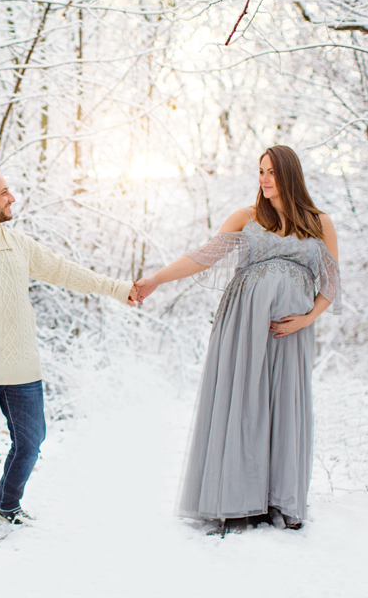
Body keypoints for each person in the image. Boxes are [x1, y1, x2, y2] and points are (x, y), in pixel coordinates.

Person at [0, 163, 139, 545]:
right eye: (3, 192)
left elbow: (64, 271)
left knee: (31, 441)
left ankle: (7, 505)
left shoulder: (17, 243)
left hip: (23, 368)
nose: (12, 198)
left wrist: (116, 288)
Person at [136, 145, 341, 534]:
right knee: (243, 401)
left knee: (285, 405)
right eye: (260, 171)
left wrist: (306, 320)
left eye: (272, 172)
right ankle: (234, 498)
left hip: (291, 331)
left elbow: (331, 284)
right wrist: (156, 279)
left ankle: (279, 498)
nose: (264, 179)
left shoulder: (319, 223)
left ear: (290, 175)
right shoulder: (247, 218)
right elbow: (203, 257)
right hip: (243, 325)